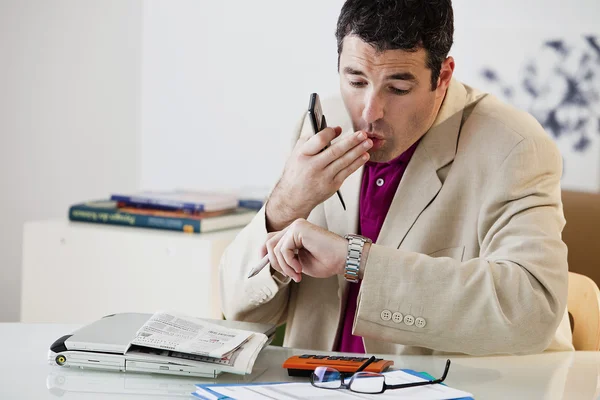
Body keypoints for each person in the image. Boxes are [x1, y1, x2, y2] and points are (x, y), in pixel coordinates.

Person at [219, 0, 573, 355]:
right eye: (356, 80)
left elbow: (532, 310)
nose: (369, 111)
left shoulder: (514, 146)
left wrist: (354, 259)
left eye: (398, 89)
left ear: (443, 77)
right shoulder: (323, 125)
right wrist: (284, 204)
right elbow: (240, 311)